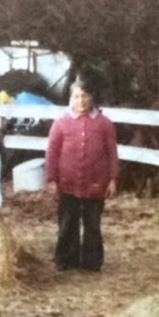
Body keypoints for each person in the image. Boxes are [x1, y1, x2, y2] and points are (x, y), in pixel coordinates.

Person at [45, 77, 120, 272]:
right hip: (67, 183)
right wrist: (51, 180)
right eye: (76, 96)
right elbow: (52, 152)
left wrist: (112, 179)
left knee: (92, 224)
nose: (81, 101)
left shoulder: (104, 124)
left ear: (92, 97)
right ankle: (65, 259)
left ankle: (91, 261)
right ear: (71, 98)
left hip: (95, 183)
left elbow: (112, 152)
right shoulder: (61, 123)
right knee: (67, 221)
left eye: (85, 96)